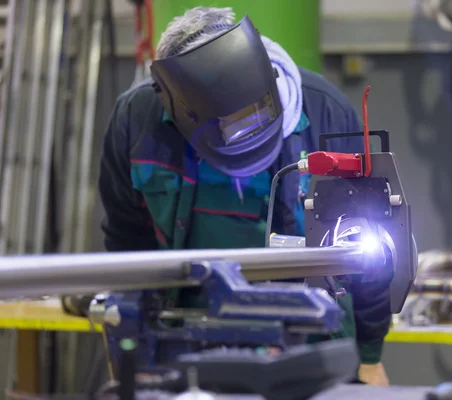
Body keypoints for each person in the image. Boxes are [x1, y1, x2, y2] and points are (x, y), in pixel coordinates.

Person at [99, 6, 391, 385]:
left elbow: (370, 247)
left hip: (315, 351)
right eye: (226, 127)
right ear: (176, 103)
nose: (241, 134)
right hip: (183, 348)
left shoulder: (326, 113)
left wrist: (369, 355)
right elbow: (126, 242)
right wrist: (129, 350)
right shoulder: (137, 121)